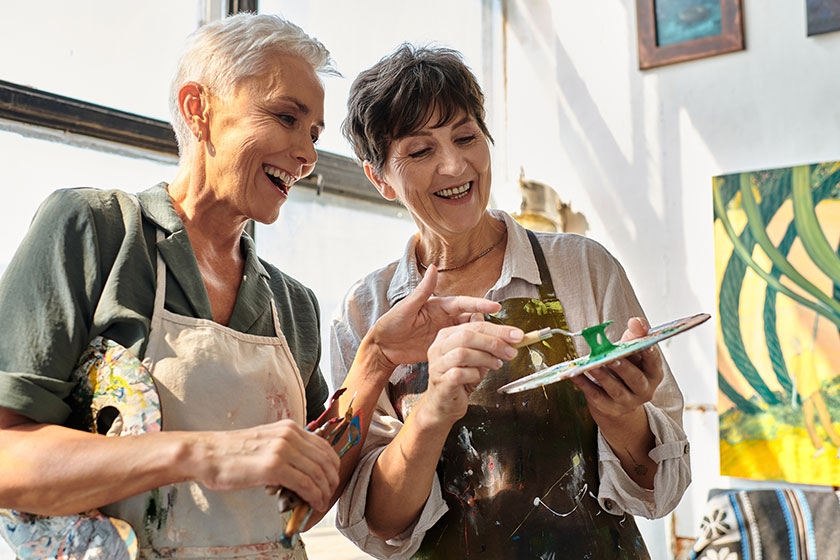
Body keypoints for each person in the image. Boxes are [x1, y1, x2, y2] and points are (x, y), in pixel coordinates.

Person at [0, 16, 501, 560]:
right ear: (199, 110)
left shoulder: (293, 306)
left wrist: (376, 358)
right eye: (287, 117)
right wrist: (203, 454)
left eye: (313, 134)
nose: (307, 155)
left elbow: (302, 502)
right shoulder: (96, 231)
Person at [331, 44, 692, 559]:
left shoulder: (583, 268)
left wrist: (623, 414)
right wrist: (432, 412)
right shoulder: (365, 314)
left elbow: (663, 488)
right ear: (379, 178)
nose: (454, 165)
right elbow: (382, 523)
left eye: (465, 137)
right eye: (419, 151)